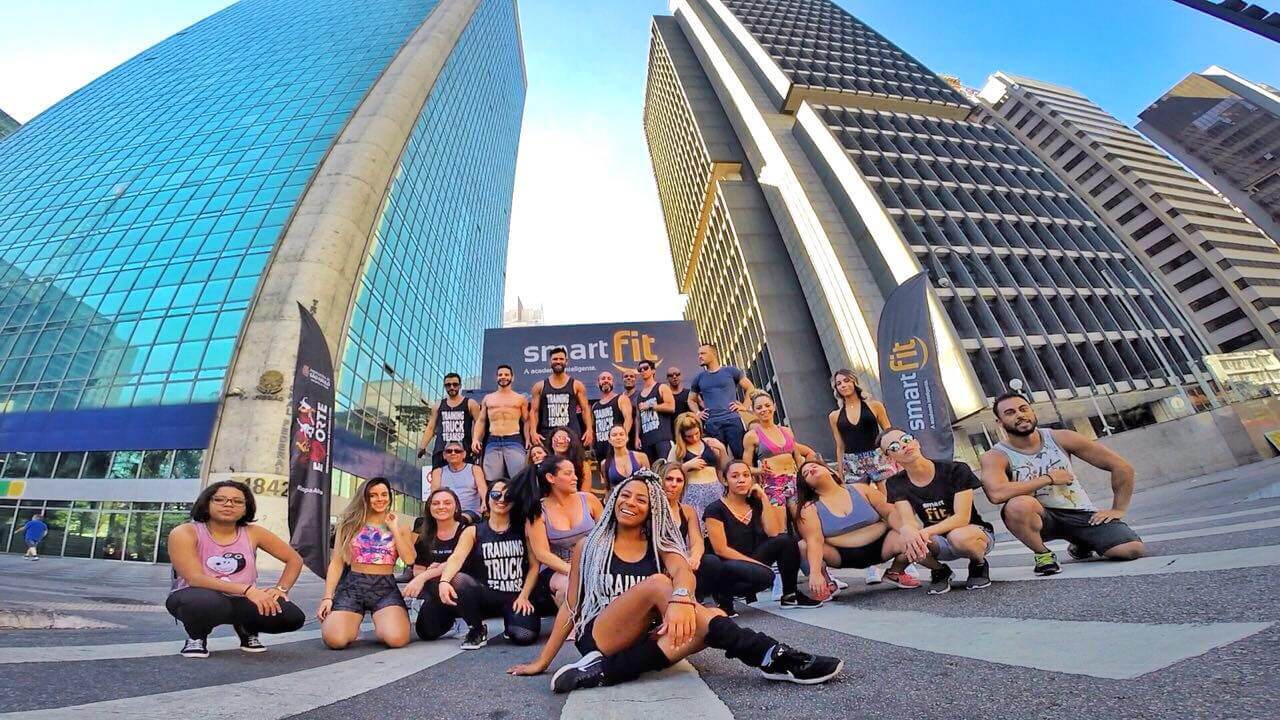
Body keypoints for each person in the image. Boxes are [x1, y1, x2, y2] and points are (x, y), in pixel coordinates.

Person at [507, 472, 842, 692]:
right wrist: (542, 661)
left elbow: (683, 573)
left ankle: (605, 671)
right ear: (614, 500)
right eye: (625, 496)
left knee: (712, 619)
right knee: (662, 587)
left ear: (652, 509)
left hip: (647, 635)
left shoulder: (662, 544)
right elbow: (571, 607)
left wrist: (682, 600)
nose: (630, 503)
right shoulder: (588, 545)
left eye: (641, 500)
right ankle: (769, 654)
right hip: (601, 633)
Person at [980, 392, 1146, 575]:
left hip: (1080, 513)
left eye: (1023, 409)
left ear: (1032, 412)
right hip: (1041, 518)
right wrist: (1048, 478)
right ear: (1000, 422)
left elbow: (1122, 467)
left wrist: (1118, 509)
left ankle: (1081, 542)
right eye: (1010, 413)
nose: (1020, 415)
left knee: (1131, 550)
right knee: (1018, 505)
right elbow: (996, 493)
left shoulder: (1061, 438)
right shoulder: (995, 456)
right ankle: (1043, 555)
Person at [165, 481, 306, 658]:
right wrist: (248, 590)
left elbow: (294, 559)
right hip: (195, 596)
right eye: (220, 499)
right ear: (207, 503)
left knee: (291, 616)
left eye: (237, 501)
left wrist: (280, 589)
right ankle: (196, 636)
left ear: (246, 508)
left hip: (240, 599)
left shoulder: (254, 532)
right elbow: (195, 578)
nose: (229, 504)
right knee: (206, 602)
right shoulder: (185, 532)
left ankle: (247, 628)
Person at [879, 429, 994, 594]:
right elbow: (908, 519)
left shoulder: (955, 469)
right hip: (937, 541)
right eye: (894, 447)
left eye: (905, 439)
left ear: (916, 442)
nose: (903, 446)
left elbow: (962, 518)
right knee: (905, 539)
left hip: (973, 534)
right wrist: (908, 531)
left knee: (957, 536)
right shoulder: (896, 483)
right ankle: (940, 570)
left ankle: (978, 564)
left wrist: (924, 532)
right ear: (890, 458)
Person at [703, 460, 822, 609]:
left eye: (746, 475)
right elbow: (721, 550)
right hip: (728, 565)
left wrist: (764, 498)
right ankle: (724, 601)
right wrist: (756, 566)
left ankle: (790, 595)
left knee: (786, 540)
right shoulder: (715, 509)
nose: (741, 480)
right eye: (735, 476)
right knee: (721, 564)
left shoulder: (756, 503)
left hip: (754, 560)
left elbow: (774, 532)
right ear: (725, 481)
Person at [794, 461, 919, 598]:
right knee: (803, 546)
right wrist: (815, 573)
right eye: (806, 473)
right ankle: (826, 583)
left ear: (830, 470)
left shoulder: (861, 489)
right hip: (840, 555)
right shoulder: (809, 508)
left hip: (882, 547)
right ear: (806, 485)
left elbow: (890, 513)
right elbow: (814, 540)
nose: (811, 470)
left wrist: (907, 530)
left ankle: (896, 572)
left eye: (814, 466)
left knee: (915, 534)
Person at [318, 477, 416, 649]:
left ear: (390, 497)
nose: (380, 499)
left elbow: (409, 559)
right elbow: (337, 562)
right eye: (373, 495)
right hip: (353, 585)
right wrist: (327, 597)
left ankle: (384, 623)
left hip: (385, 588)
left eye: (384, 494)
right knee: (335, 640)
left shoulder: (401, 527)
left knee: (396, 639)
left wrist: (393, 529)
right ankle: (351, 625)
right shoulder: (349, 525)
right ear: (364, 498)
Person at [515, 455, 604, 605]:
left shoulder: (589, 500)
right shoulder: (538, 511)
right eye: (568, 473)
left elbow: (606, 534)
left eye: (574, 473)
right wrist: (575, 571)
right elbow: (542, 554)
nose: (575, 478)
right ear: (551, 478)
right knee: (570, 587)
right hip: (556, 568)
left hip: (593, 562)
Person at [406, 488, 486, 648]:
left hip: (469, 590)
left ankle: (476, 627)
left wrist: (430, 573)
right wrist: (429, 572)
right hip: (438, 592)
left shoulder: (467, 529)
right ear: (429, 508)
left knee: (455, 578)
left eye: (447, 503)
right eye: (436, 503)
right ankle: (452, 618)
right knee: (426, 632)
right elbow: (418, 569)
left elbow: (458, 563)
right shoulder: (425, 534)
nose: (441, 506)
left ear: (456, 507)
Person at [656, 461, 724, 611]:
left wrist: (695, 557)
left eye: (679, 480)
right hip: (658, 560)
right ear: (660, 480)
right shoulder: (652, 509)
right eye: (669, 479)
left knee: (710, 561)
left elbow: (697, 541)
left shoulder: (687, 510)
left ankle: (702, 597)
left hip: (683, 559)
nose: (674, 484)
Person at [742, 390, 816, 510]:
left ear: (774, 407)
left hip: (794, 480)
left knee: (803, 514)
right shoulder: (751, 436)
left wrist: (804, 477)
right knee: (779, 520)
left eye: (767, 405)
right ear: (754, 411)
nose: (764, 410)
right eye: (759, 408)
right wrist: (759, 470)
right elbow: (745, 468)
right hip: (773, 484)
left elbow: (798, 458)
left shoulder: (787, 431)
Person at [828, 369, 896, 490]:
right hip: (852, 462)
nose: (843, 385)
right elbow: (840, 445)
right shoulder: (834, 416)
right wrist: (840, 470)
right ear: (836, 389)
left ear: (854, 382)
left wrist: (894, 454)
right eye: (839, 383)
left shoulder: (875, 406)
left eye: (846, 380)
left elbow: (888, 432)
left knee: (889, 494)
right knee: (861, 497)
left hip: (878, 456)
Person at [668, 412, 726, 530]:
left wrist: (722, 449)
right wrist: (686, 466)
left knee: (719, 526)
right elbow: (668, 472)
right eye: (689, 436)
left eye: (696, 433)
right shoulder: (678, 449)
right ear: (682, 435)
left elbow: (724, 467)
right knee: (696, 527)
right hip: (693, 492)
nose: (694, 438)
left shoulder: (709, 442)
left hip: (715, 489)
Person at [475, 364, 531, 482]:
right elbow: (481, 421)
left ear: (512, 377)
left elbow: (526, 420)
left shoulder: (520, 399)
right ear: (496, 377)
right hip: (493, 440)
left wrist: (527, 439)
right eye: (500, 375)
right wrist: (476, 439)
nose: (503, 377)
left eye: (506, 374)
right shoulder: (488, 398)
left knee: (520, 478)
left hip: (514, 440)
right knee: (492, 480)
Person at [530, 347, 593, 449]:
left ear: (566, 361)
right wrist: (533, 432)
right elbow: (534, 411)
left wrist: (589, 430)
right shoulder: (539, 386)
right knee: (551, 460)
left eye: (561, 359)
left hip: (572, 433)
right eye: (555, 359)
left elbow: (585, 409)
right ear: (550, 362)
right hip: (548, 435)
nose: (558, 361)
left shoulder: (577, 385)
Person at [418, 372, 481, 467]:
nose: (452, 387)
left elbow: (480, 424)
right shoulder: (438, 406)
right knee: (439, 476)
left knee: (464, 476)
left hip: (464, 452)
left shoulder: (470, 403)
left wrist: (477, 443)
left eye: (455, 384)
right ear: (445, 386)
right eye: (448, 385)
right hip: (441, 452)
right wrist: (423, 446)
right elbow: (431, 428)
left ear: (460, 386)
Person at [428, 440, 487, 523]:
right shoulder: (438, 472)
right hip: (445, 510)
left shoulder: (475, 469)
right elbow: (434, 494)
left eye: (457, 451)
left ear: (464, 454)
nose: (453, 453)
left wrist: (484, 502)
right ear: (444, 455)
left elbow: (483, 489)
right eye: (449, 451)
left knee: (459, 520)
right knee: (420, 522)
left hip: (469, 511)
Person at [590, 371, 633, 480]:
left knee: (624, 478)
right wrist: (592, 447)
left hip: (617, 447)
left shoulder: (621, 399)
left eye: (609, 379)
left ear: (613, 382)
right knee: (607, 481)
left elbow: (628, 419)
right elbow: (593, 428)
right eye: (603, 378)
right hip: (600, 449)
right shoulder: (595, 406)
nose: (606, 381)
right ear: (597, 383)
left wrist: (622, 439)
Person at [634, 359, 676, 463]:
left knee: (666, 467)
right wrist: (637, 437)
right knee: (651, 469)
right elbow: (638, 418)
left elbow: (671, 407)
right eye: (640, 369)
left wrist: (650, 406)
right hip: (647, 440)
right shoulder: (639, 395)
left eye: (645, 368)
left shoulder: (662, 387)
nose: (642, 371)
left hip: (662, 437)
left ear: (653, 371)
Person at [600, 424, 650, 492]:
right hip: (617, 497)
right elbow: (607, 490)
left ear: (627, 438)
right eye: (614, 435)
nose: (618, 437)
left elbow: (649, 483)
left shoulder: (641, 457)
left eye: (621, 434)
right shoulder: (605, 463)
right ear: (609, 440)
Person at [548, 427, 591, 493]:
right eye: (557, 438)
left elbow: (585, 495)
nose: (560, 441)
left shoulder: (582, 466)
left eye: (564, 438)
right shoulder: (546, 465)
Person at [666, 366, 691, 437]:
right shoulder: (665, 396)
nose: (674, 377)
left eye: (677, 374)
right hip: (672, 433)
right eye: (671, 375)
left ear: (681, 376)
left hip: (688, 431)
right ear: (667, 378)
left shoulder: (689, 393)